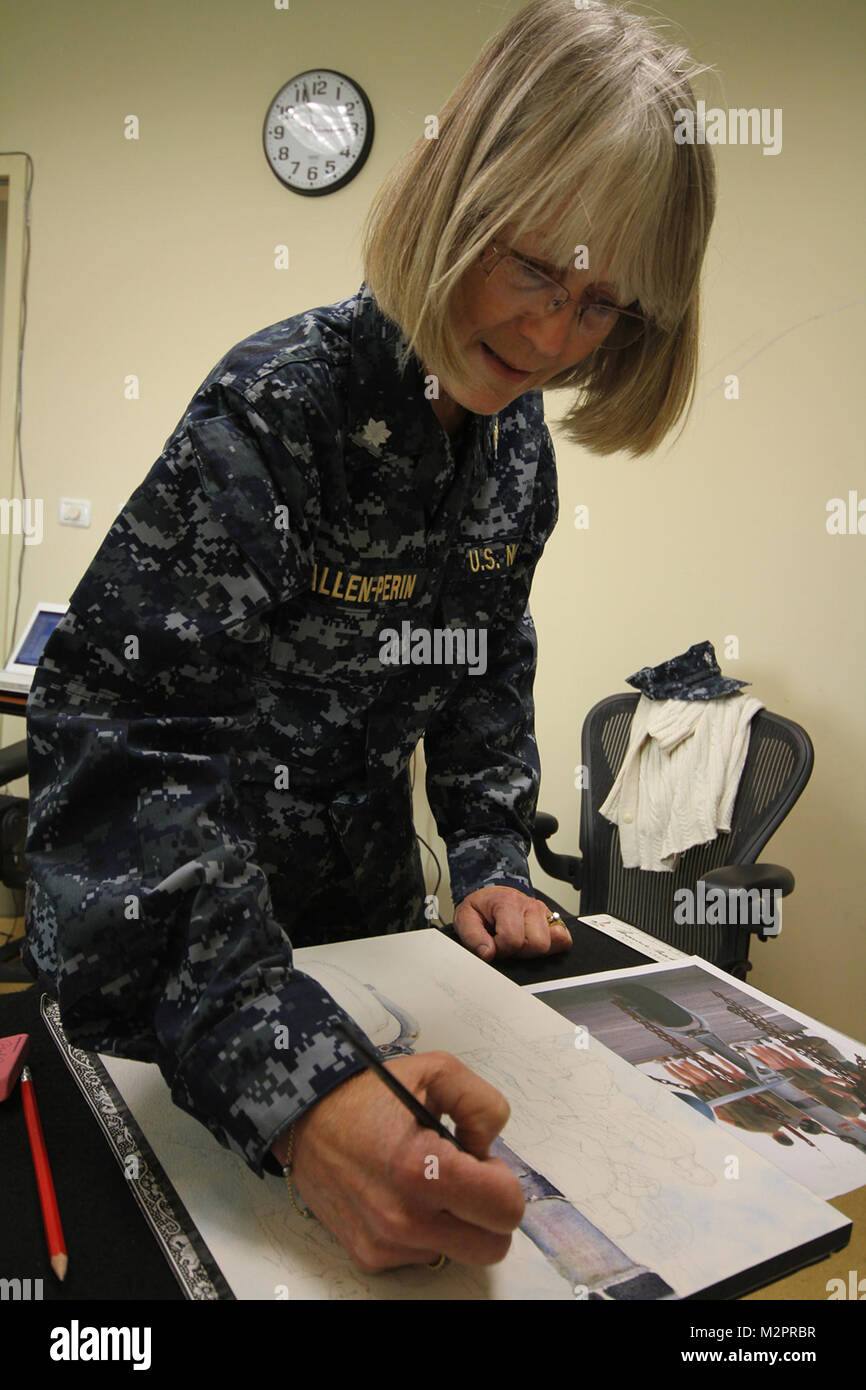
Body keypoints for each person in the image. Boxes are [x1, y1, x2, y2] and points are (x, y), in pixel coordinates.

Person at [23, 0, 715, 1274]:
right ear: (455, 190)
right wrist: (290, 1082)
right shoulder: (280, 404)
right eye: (531, 271)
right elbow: (120, 750)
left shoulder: (517, 454)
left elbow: (482, 668)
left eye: (600, 307)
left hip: (379, 941)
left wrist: (494, 851)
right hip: (187, 977)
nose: (551, 340)